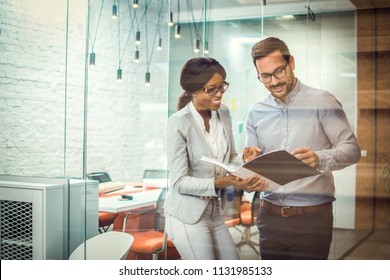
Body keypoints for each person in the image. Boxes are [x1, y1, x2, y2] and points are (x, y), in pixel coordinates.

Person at [243, 37, 361, 260]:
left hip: (312, 219)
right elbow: (253, 163)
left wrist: (320, 158)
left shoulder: (322, 101)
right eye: (265, 76)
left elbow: (352, 149)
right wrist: (249, 160)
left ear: (292, 63)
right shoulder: (256, 112)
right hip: (269, 217)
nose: (274, 81)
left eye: (279, 71)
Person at [164, 57, 268, 260]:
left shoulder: (223, 113)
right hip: (187, 215)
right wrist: (225, 181)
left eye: (222, 87)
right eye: (212, 89)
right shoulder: (177, 123)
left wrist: (246, 161)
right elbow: (179, 182)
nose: (220, 93)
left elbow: (230, 158)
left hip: (214, 210)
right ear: (194, 89)